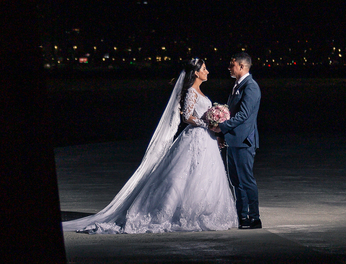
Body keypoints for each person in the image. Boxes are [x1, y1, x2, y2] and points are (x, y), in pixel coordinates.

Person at [64, 57, 238, 234]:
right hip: (195, 137)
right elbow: (187, 117)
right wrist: (206, 123)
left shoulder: (200, 92)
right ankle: (177, 213)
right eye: (204, 68)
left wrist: (214, 127)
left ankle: (203, 210)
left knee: (206, 175)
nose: (207, 71)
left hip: (207, 139)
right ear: (195, 73)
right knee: (183, 175)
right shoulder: (191, 92)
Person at [213, 52, 261, 229]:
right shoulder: (237, 86)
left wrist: (222, 127)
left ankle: (254, 218)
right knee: (236, 181)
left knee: (246, 180)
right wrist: (222, 135)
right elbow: (230, 112)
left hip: (244, 141)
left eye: (232, 65)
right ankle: (242, 217)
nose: (229, 68)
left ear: (241, 66)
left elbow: (243, 115)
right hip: (233, 140)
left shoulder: (251, 87)